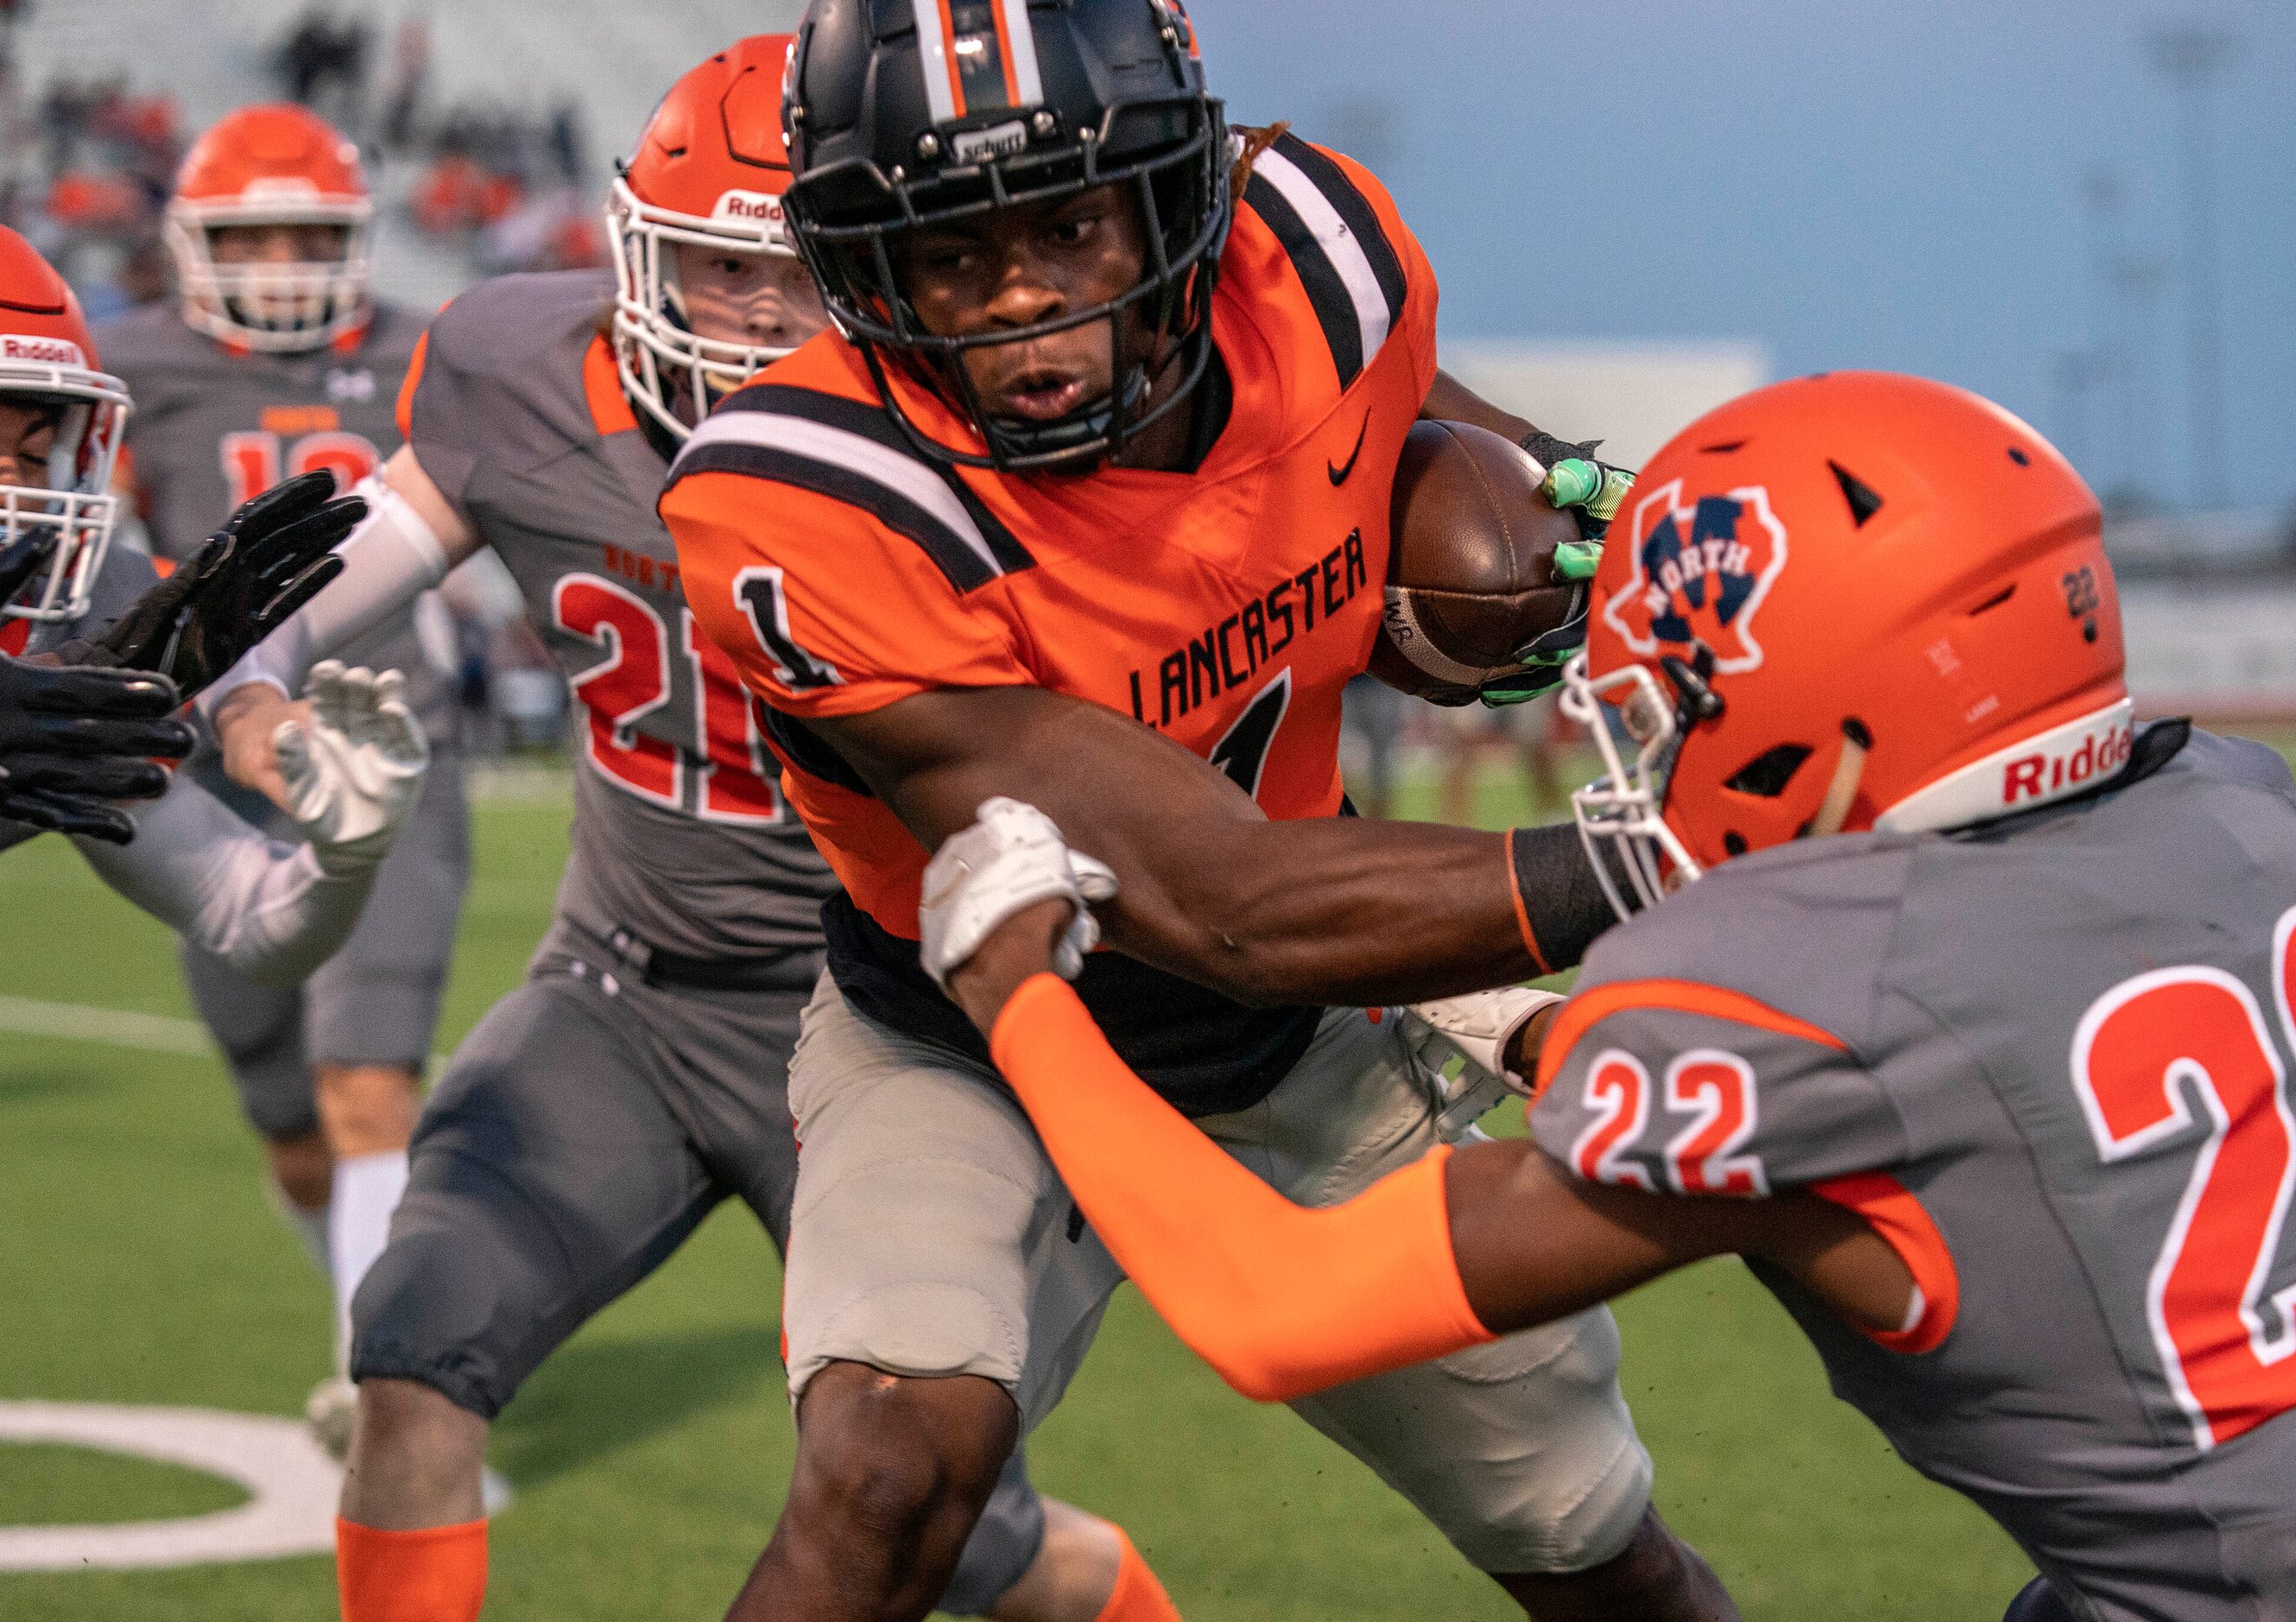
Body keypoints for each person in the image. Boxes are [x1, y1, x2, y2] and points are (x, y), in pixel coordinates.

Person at [661, 3, 1724, 1619]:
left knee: (1594, 1559)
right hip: (977, 1031)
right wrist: (1647, 851)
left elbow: (1385, 425)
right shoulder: (808, 502)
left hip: (1305, 1035)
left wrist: (1550, 511)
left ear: (1175, 199)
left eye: (1068, 224)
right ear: (867, 273)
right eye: (949, 254)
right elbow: (1213, 895)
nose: (1017, 294)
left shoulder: (1326, 263)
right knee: (881, 1472)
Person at [939, 371, 2296, 1622]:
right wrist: (1528, 1021)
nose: (1645, 749)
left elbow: (1275, 1307)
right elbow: (1998, 1084)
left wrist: (1022, 996)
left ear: (1806, 710)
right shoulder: (2236, 805)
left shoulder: (1815, 986)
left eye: (1663, 712)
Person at [206, 40, 1168, 1622]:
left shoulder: (981, 440)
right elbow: (332, 570)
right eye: (713, 271)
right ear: (635, 254)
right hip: (626, 992)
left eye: (789, 277)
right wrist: (253, 697)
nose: (747, 321)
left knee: (951, 1528)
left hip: (888, 1027)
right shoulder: (528, 376)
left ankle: (1108, 1591)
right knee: (410, 1350)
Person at [0, 206, 428, 1587]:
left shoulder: (32, 651)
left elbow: (246, 913)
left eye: (35, 443)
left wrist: (344, 850)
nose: (12, 487)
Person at [98, 101, 468, 1445]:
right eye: (249, 236)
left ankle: (384, 1397)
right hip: (210, 769)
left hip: (387, 743)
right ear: (194, 245)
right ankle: (361, 1321)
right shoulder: (128, 362)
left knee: (369, 1080)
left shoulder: (432, 355)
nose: (279, 263)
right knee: (290, 1127)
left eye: (308, 234)